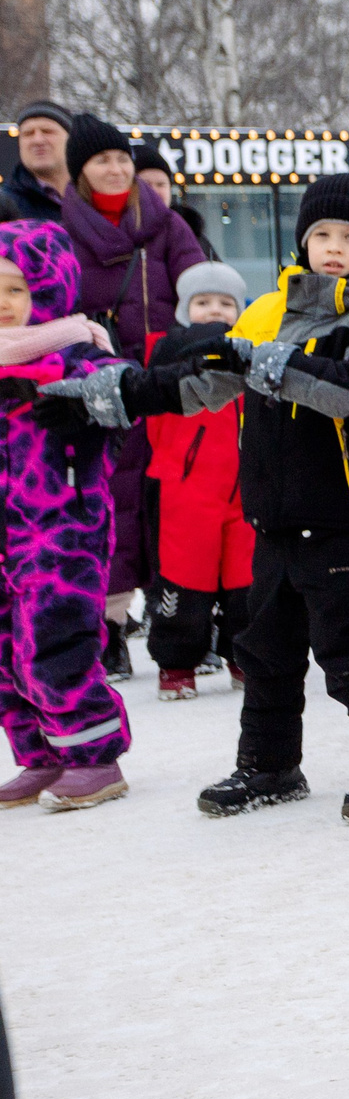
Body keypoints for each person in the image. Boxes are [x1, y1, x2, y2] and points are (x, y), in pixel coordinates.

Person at [52, 175, 349, 822]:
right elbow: (202, 385)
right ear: (302, 240)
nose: (334, 247)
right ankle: (270, 763)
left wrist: (261, 360)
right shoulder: (272, 311)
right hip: (274, 516)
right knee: (265, 648)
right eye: (321, 235)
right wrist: (112, 396)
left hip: (341, 515)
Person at [56, 114, 204, 676]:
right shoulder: (64, 228)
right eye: (102, 161)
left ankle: (186, 623)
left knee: (174, 504)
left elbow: (196, 286)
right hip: (102, 385)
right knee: (109, 504)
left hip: (165, 385)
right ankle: (110, 628)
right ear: (83, 172)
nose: (115, 169)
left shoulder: (166, 225)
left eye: (121, 159)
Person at [0, 221, 129, 811]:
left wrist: (76, 402)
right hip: (7, 530)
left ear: (49, 291)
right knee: (7, 647)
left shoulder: (79, 350)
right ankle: (41, 752)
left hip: (62, 521)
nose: (4, 304)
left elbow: (121, 401)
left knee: (53, 633)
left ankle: (94, 755)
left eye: (17, 290)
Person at [144, 261, 255, 700]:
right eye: (202, 302)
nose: (214, 311)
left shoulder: (250, 352)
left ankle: (246, 658)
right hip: (183, 491)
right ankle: (176, 663)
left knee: (247, 585)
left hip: (244, 491)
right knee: (183, 585)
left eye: (225, 304)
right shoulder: (166, 349)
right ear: (183, 309)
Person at [4, 102, 70, 224]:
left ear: (71, 140)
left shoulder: (95, 196)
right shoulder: (5, 207)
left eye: (47, 131)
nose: (38, 140)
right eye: (28, 134)